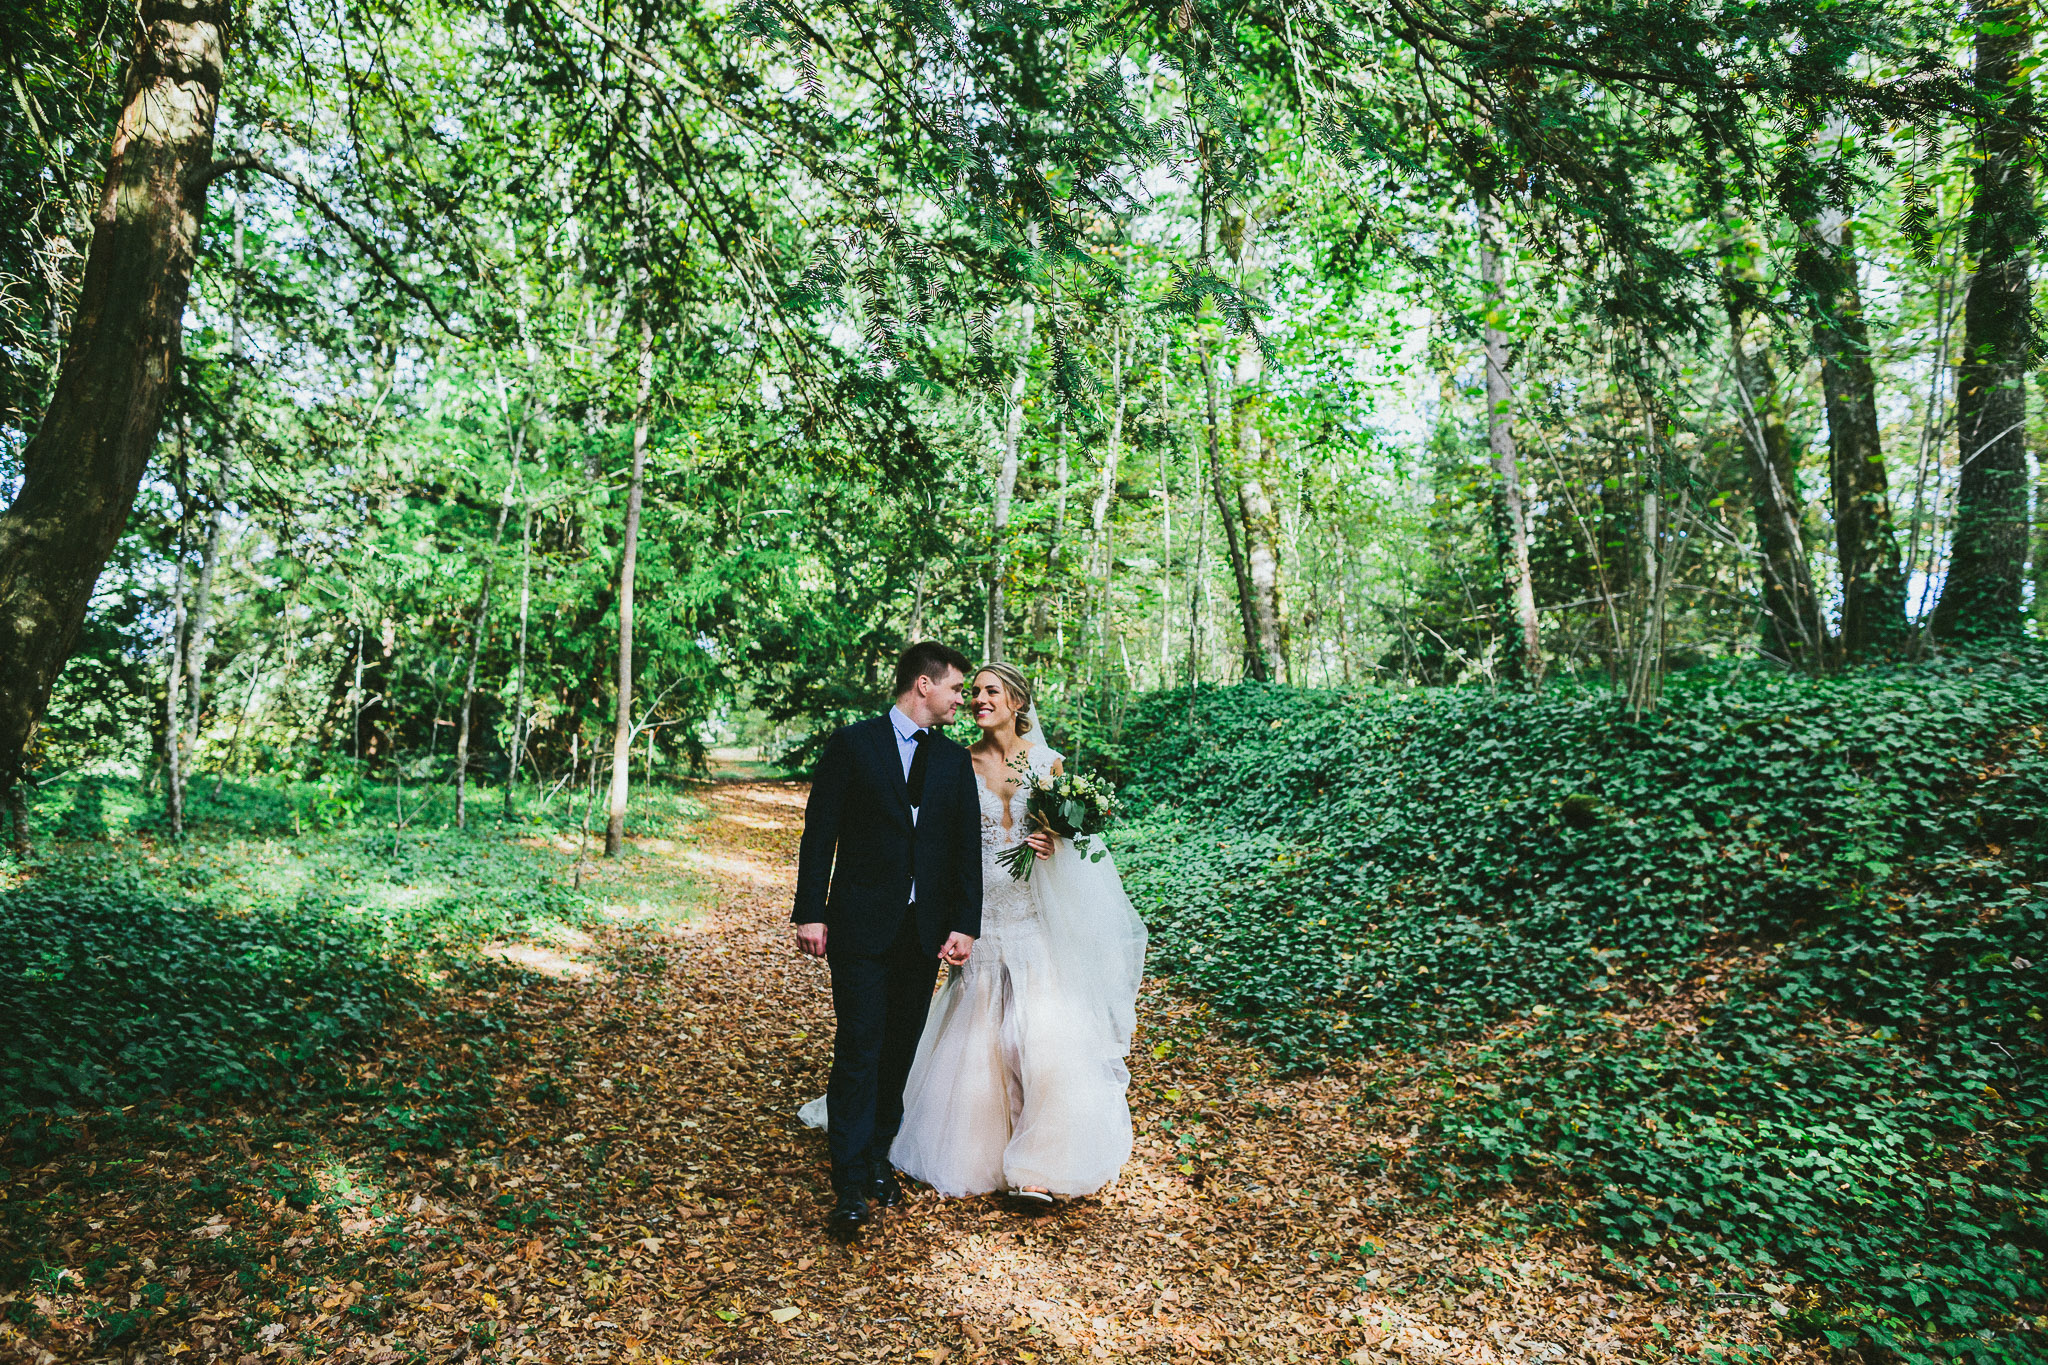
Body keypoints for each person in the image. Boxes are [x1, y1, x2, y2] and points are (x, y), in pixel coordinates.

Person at [887, 662, 1149, 1201]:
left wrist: (1056, 846)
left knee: (1038, 1032)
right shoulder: (959, 764)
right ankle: (976, 1148)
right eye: (974, 692)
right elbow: (942, 846)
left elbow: (1081, 850)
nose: (979, 700)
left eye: (990, 692)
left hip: (1031, 912)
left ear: (1016, 701)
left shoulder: (1049, 765)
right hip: (980, 910)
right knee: (983, 1027)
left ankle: (1042, 1162)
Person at [791, 641, 982, 1241]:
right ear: (923, 685)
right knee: (859, 1043)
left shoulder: (954, 763)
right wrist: (810, 912)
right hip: (859, 924)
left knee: (900, 1045)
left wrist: (965, 922)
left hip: (921, 931)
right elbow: (820, 832)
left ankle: (878, 1155)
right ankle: (847, 1178)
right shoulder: (853, 745)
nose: (962, 699)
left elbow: (963, 851)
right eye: (956, 688)